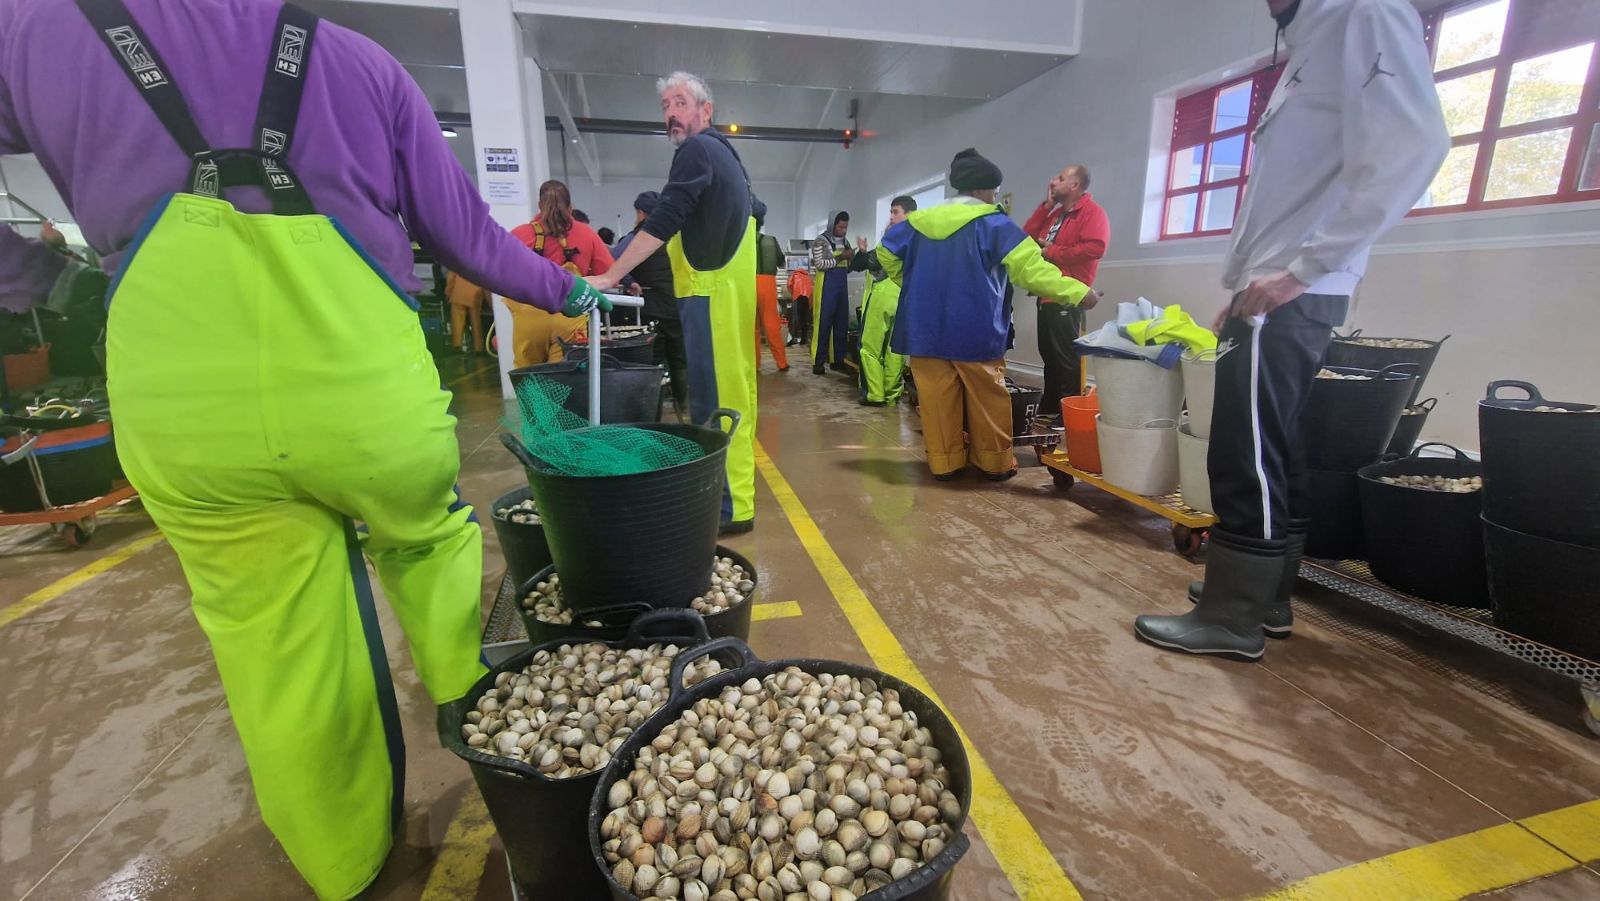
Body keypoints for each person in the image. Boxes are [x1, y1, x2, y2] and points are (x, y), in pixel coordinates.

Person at [0, 1, 609, 898]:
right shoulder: (359, 63)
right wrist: (570, 290)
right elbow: (465, 236)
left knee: (276, 638)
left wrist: (46, 281)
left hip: (186, 407)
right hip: (363, 393)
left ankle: (348, 865)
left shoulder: (35, 31)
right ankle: (497, 742)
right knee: (429, 539)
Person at [1134, 0, 1448, 661]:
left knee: (1242, 452)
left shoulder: (1365, 13)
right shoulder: (1309, 41)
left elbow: (1413, 144)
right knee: (1273, 447)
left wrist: (1300, 271)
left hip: (1294, 292)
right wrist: (1247, 285)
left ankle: (1233, 615)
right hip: (1274, 291)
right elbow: (1288, 189)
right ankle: (1266, 598)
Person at [590, 71, 766, 535]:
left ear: (706, 111)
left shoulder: (697, 149)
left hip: (708, 294)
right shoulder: (728, 157)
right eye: (666, 105)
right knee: (734, 396)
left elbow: (666, 217)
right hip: (724, 295)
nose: (671, 113)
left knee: (716, 403)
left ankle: (729, 511)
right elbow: (758, 210)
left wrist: (611, 273)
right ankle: (736, 500)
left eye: (681, 103)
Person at [878, 149, 1097, 482]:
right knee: (987, 399)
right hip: (975, 331)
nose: (995, 196)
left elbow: (885, 252)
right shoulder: (994, 224)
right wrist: (1080, 292)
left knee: (936, 400)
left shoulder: (916, 225)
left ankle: (944, 463)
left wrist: (912, 286)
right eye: (995, 190)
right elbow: (1031, 271)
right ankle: (994, 464)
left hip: (923, 331)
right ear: (983, 190)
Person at [1023, 164, 1108, 423]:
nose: (1053, 181)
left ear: (1074, 185)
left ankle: (1068, 412)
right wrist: (1046, 206)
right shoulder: (1055, 215)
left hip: (1070, 293)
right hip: (1046, 292)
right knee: (1049, 354)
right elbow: (1026, 238)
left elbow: (1094, 248)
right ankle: (1050, 404)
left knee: (1067, 358)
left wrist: (1052, 252)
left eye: (1060, 178)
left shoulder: (1092, 213)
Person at [509, 180, 615, 365]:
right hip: (570, 317)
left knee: (528, 378)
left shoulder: (519, 235)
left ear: (539, 205)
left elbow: (501, 277)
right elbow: (608, 275)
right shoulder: (587, 234)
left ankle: (534, 396)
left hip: (529, 318)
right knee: (567, 375)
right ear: (570, 206)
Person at [616, 190, 690, 415]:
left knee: (652, 364)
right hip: (677, 308)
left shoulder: (636, 238)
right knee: (679, 360)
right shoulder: (676, 237)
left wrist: (630, 281)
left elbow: (614, 263)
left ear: (640, 212)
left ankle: (652, 414)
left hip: (649, 311)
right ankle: (684, 409)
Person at [850, 194, 916, 405]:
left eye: (895, 212)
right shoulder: (922, 235)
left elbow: (867, 262)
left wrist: (861, 252)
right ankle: (892, 393)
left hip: (882, 296)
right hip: (904, 297)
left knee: (869, 347)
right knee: (895, 349)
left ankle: (874, 394)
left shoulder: (894, 236)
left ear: (908, 212)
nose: (891, 217)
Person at [809, 210, 853, 374]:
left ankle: (838, 360)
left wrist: (852, 257)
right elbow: (820, 264)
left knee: (841, 323)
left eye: (846, 227)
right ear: (832, 224)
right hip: (826, 284)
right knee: (823, 323)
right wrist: (841, 257)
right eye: (841, 227)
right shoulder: (820, 241)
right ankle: (818, 362)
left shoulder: (845, 241)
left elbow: (846, 268)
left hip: (841, 284)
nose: (843, 231)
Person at [755, 224, 789, 371]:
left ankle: (754, 365)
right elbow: (781, 262)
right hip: (767, 283)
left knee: (751, 328)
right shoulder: (771, 240)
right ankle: (782, 363)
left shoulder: (740, 239)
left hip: (746, 283)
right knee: (771, 324)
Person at [445, 269, 489, 354]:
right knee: (476, 323)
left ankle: (457, 345)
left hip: (458, 294)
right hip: (475, 294)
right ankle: (478, 348)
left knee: (457, 322)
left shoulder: (456, 263)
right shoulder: (478, 264)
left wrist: (448, 293)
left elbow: (450, 279)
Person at [786, 266, 813, 347]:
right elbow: (811, 289)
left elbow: (789, 285)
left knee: (795, 318)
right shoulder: (808, 277)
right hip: (806, 298)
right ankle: (804, 339)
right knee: (804, 319)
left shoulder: (794, 275)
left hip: (797, 297)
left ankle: (792, 338)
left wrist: (793, 293)